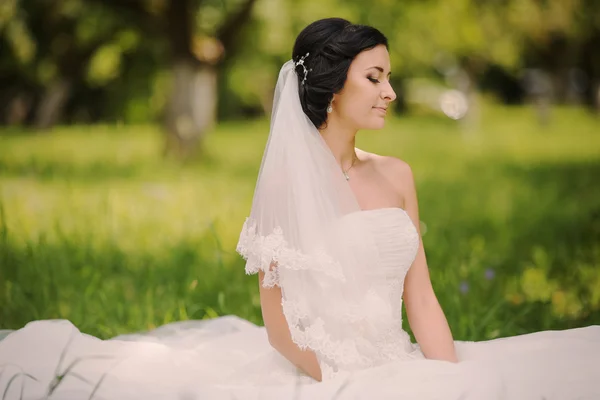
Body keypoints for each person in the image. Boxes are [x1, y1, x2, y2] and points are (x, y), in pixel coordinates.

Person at [0, 17, 599, 400]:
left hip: (399, 362)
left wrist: (445, 380)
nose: (391, 91)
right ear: (335, 87)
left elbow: (421, 297)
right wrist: (344, 383)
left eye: (390, 77)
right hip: (327, 373)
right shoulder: (285, 190)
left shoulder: (398, 175)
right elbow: (278, 323)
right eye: (376, 77)